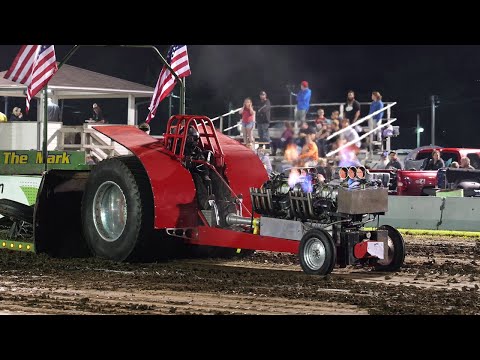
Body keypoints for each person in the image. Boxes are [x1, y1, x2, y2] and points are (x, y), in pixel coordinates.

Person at [184, 126, 213, 210]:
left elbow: (203, 164)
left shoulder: (197, 150)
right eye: (192, 139)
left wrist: (206, 174)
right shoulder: (180, 149)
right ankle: (204, 202)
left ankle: (223, 200)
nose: (195, 141)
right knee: (197, 178)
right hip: (186, 174)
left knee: (211, 177)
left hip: (197, 171)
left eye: (196, 139)